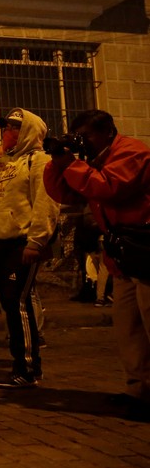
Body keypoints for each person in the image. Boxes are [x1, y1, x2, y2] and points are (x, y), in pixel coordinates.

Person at [43, 109, 150, 420]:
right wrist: (58, 161)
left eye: (86, 136)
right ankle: (140, 392)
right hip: (123, 254)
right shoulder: (92, 160)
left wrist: (72, 163)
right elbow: (65, 193)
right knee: (128, 329)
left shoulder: (132, 152)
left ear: (107, 132)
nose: (82, 142)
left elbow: (107, 187)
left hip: (145, 248)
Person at [0, 108, 60, 388]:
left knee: (19, 305)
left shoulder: (39, 161)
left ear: (28, 131)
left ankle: (27, 369)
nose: (5, 132)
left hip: (19, 245)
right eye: (5, 127)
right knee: (10, 306)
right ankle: (21, 365)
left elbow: (47, 203)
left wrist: (36, 241)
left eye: (12, 127)